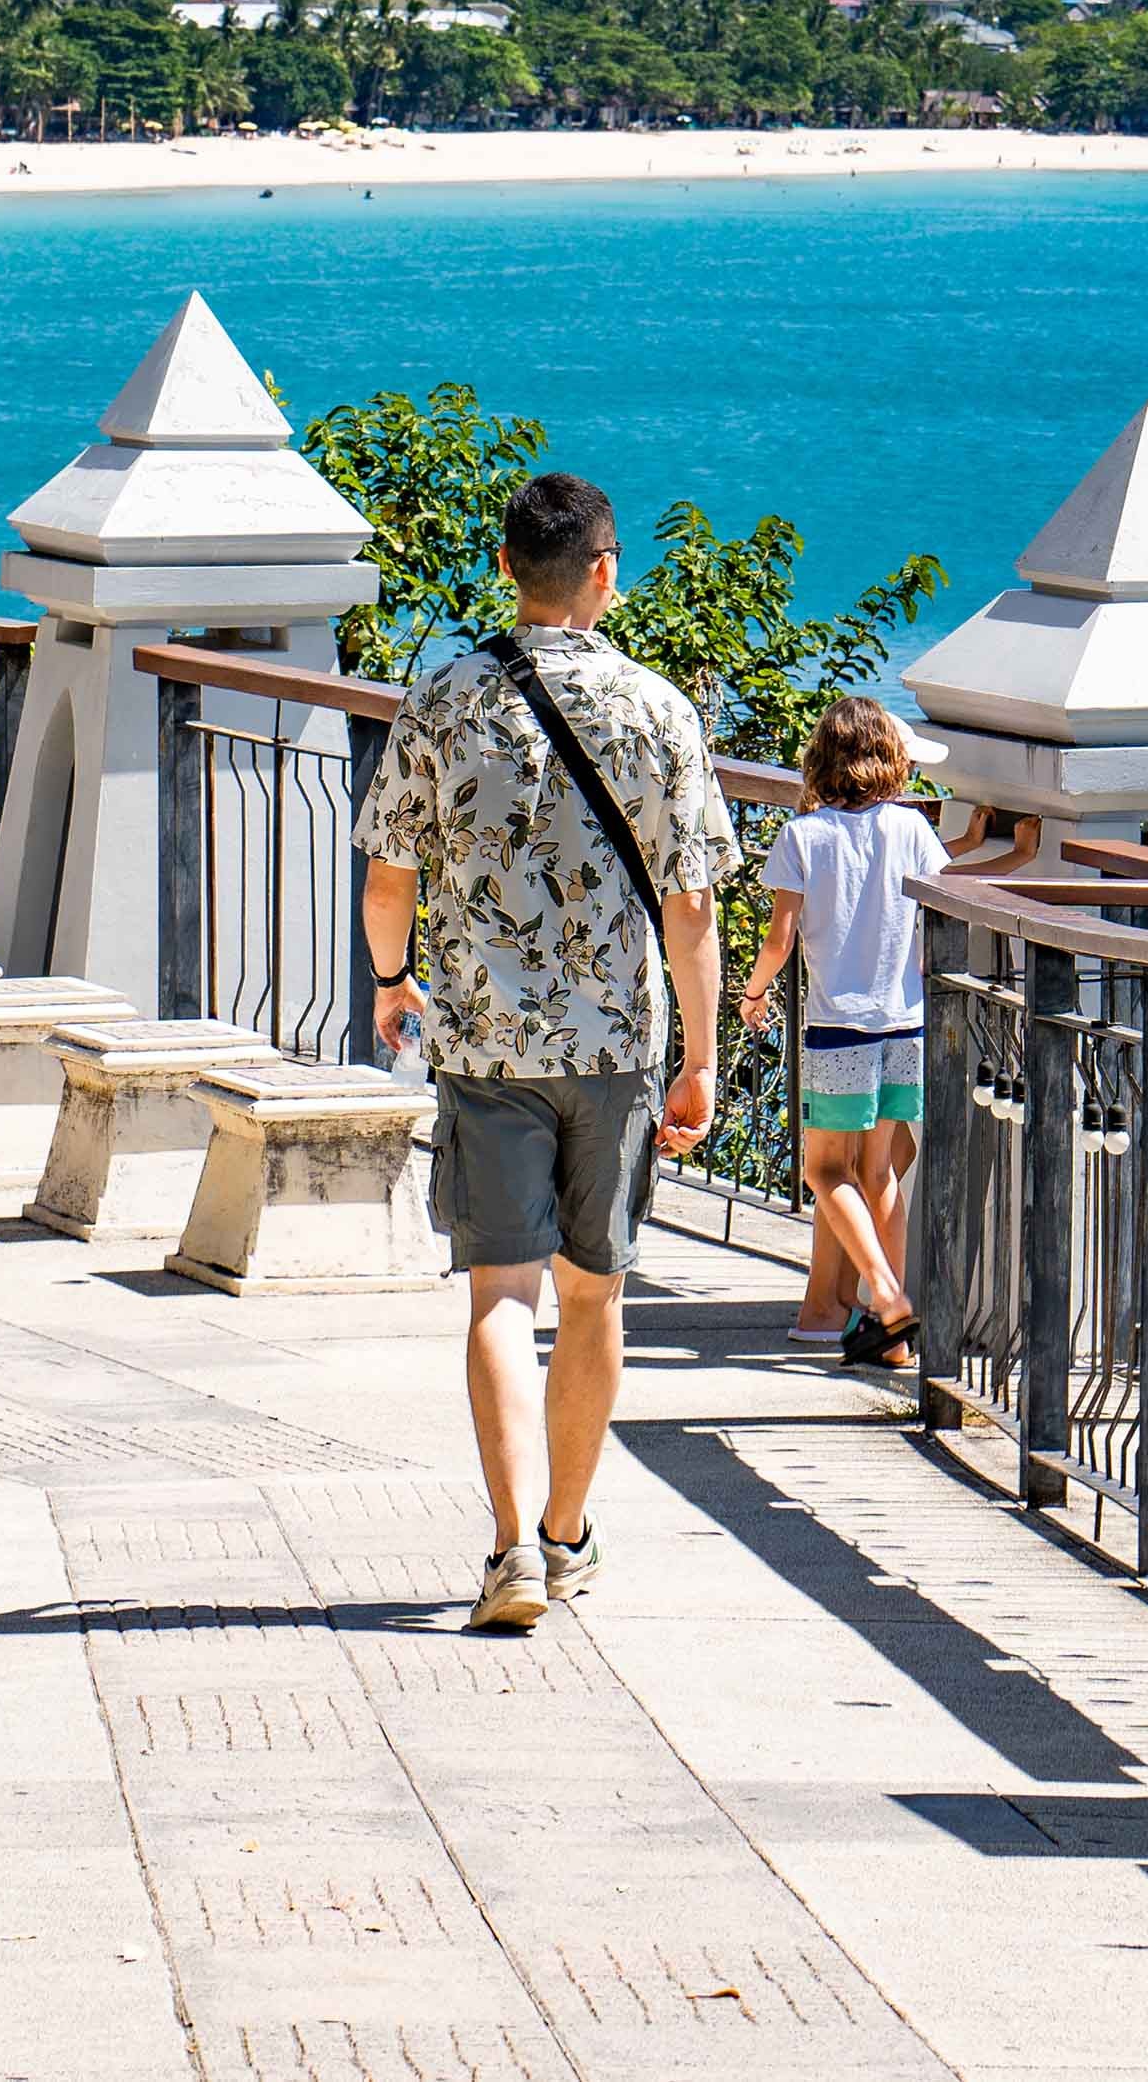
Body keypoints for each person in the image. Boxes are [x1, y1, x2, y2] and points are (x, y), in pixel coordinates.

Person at [354, 472, 736, 1633]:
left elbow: (387, 875)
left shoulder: (445, 697)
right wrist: (700, 1056)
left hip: (483, 1039)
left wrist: (389, 981)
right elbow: (692, 906)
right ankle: (567, 1533)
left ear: (510, 569)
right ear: (605, 571)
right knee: (594, 1289)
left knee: (499, 1293)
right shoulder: (659, 711)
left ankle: (512, 1546)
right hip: (617, 1045)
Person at [735, 697, 946, 1369]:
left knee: (824, 1169)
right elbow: (945, 888)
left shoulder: (804, 836)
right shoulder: (911, 828)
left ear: (821, 756)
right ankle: (892, 1337)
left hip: (839, 1025)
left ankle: (884, 1294)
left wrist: (754, 990)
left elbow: (780, 937)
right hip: (903, 1022)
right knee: (877, 1169)